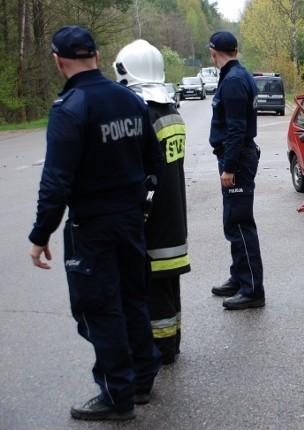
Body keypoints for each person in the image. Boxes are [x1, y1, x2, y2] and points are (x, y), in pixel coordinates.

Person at [28, 26, 165, 421]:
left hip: (92, 227)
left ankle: (116, 395)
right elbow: (154, 165)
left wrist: (40, 235)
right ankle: (141, 379)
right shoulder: (130, 99)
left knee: (99, 307)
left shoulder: (71, 107)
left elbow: (56, 180)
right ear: (97, 56)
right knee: (132, 299)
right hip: (130, 222)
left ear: (58, 60)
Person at [114, 39, 190, 365]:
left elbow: (139, 171)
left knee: (155, 289)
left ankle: (162, 350)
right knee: (168, 288)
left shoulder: (143, 114)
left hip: (152, 220)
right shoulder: (170, 110)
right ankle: (171, 341)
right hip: (174, 215)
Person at [208, 31, 265, 309]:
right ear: (236, 49)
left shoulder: (232, 81)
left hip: (238, 160)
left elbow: (236, 128)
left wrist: (229, 167)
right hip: (240, 156)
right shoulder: (239, 75)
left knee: (240, 224)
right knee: (233, 221)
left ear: (213, 51)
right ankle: (239, 276)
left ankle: (252, 289)